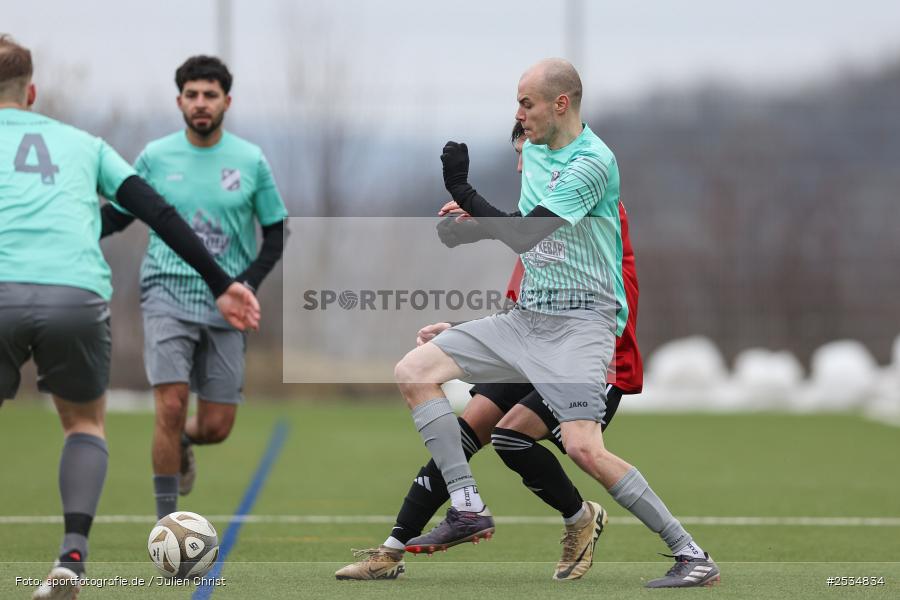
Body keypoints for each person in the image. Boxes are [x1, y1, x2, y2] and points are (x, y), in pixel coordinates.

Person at [392, 58, 719, 588]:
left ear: (560, 103)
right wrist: (469, 227)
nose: (518, 116)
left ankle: (692, 555)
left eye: (526, 104)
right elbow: (527, 236)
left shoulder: (592, 163)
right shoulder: (537, 148)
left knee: (584, 448)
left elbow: (526, 235)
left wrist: (463, 187)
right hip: (528, 321)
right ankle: (468, 505)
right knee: (415, 370)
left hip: (581, 327)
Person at [0, 35, 259, 600]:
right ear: (33, 92)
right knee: (85, 424)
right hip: (75, 292)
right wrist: (222, 284)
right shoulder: (81, 143)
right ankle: (71, 560)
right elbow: (157, 210)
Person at [336, 121, 643, 581]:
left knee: (524, 438)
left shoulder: (582, 199)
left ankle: (612, 527)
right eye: (520, 156)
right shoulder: (544, 204)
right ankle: (390, 552)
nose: (524, 164)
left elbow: (541, 253)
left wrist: (467, 198)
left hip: (587, 353)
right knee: (463, 433)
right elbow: (531, 293)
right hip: (535, 343)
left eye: (530, 154)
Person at [100, 55, 288, 520]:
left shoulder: (250, 160)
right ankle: (166, 525)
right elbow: (121, 215)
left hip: (227, 304)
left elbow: (277, 231)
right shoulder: (155, 157)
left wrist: (247, 284)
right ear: (179, 100)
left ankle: (185, 437)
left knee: (217, 425)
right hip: (165, 291)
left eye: (209, 95)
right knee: (170, 402)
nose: (200, 104)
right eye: (191, 95)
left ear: (227, 101)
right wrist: (71, 225)